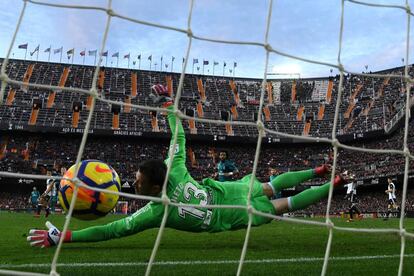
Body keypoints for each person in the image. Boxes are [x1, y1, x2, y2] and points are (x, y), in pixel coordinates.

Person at [27, 84, 349, 248]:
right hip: (231, 190)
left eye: (139, 182)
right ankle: (321, 175)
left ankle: (327, 184)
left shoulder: (157, 210)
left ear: (155, 187)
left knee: (284, 203)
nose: (135, 185)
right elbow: (179, 131)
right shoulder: (176, 166)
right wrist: (168, 104)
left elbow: (110, 230)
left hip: (235, 217)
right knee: (274, 185)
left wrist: (65, 237)